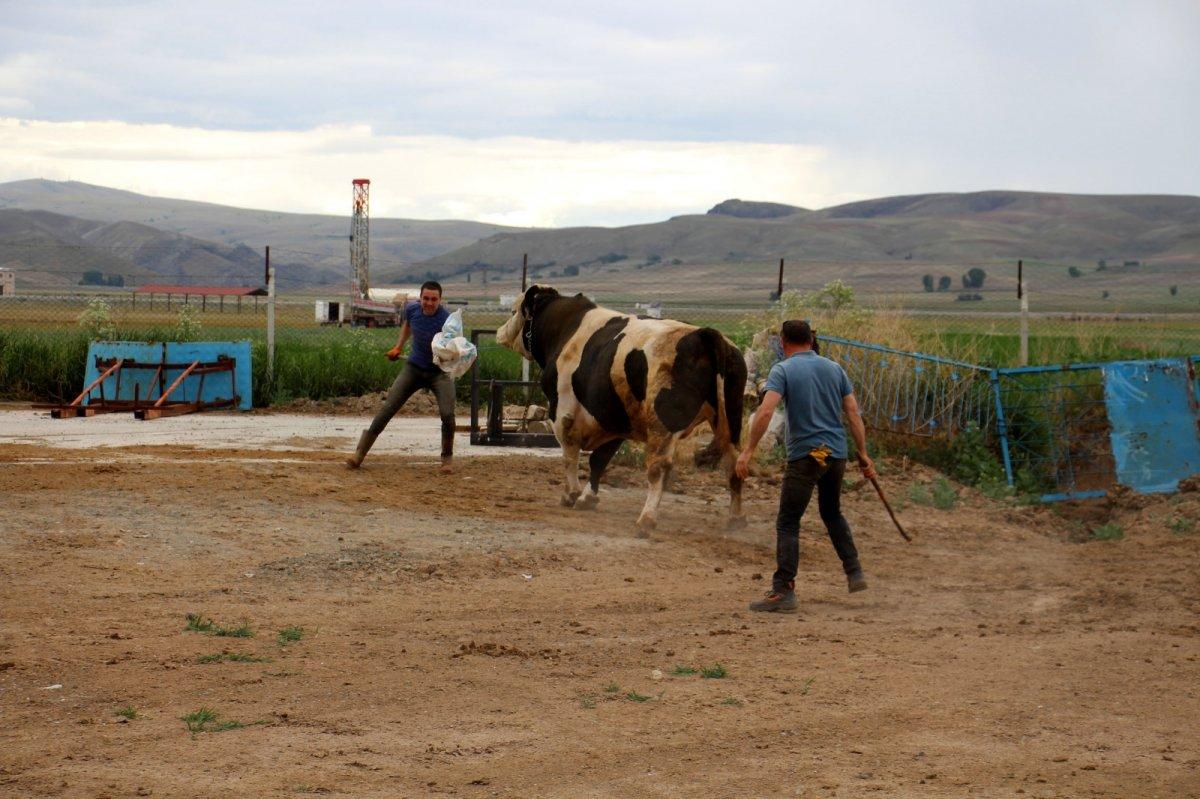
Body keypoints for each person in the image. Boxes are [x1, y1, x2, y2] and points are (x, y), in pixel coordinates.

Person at [734, 319, 877, 612]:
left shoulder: (783, 369)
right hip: (836, 455)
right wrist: (863, 454)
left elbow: (766, 411)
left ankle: (783, 590)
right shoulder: (834, 368)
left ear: (783, 342)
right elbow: (853, 412)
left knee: (788, 521)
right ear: (810, 341)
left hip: (806, 456)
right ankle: (854, 572)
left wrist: (747, 450)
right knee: (832, 512)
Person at [346, 281, 457, 473]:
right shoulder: (411, 309)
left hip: (439, 373)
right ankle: (359, 454)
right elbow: (407, 326)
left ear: (440, 300)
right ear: (420, 298)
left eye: (434, 299)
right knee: (387, 408)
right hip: (413, 369)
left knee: (448, 414)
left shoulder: (447, 320)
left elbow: (454, 346)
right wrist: (398, 347)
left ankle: (447, 459)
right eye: (426, 298)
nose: (429, 303)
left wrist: (450, 355)